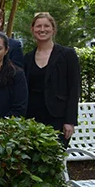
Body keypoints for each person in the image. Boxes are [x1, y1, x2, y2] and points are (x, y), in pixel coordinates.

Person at [24, 12, 80, 146]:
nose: (42, 29)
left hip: (58, 118)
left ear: (53, 29)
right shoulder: (27, 58)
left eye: (46, 26)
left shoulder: (68, 55)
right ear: (32, 30)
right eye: (38, 26)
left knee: (54, 160)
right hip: (32, 118)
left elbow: (74, 89)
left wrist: (70, 121)